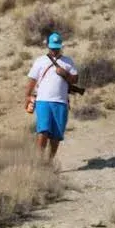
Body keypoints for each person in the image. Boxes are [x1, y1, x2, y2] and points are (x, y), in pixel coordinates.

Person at [25, 32, 79, 162]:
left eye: (56, 47)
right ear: (48, 46)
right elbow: (32, 80)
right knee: (43, 130)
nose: (54, 50)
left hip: (61, 102)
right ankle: (38, 160)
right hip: (43, 101)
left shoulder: (68, 61)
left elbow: (75, 79)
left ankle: (49, 162)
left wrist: (64, 73)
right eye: (52, 47)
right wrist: (27, 96)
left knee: (56, 135)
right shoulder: (40, 61)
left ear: (60, 46)